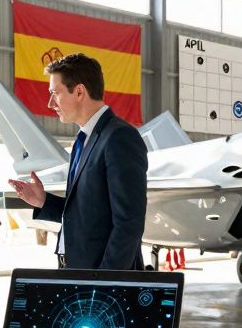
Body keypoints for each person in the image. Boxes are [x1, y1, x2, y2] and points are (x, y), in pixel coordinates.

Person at [8, 53, 148, 269]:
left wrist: (104, 283)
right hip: (76, 271)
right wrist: (44, 201)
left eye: (55, 93)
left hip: (102, 279)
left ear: (80, 91)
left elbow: (128, 223)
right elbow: (87, 213)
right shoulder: (83, 141)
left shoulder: (119, 137)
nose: (49, 103)